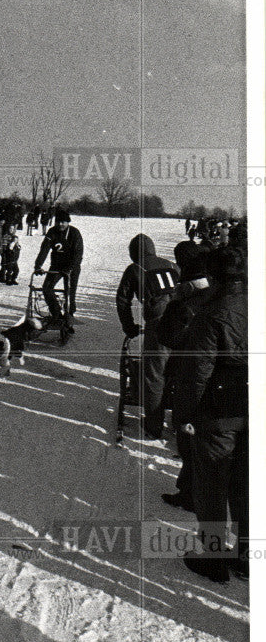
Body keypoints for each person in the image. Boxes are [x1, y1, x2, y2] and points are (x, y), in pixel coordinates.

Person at [175, 247, 247, 582]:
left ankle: (215, 555)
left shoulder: (211, 312)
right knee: (246, 483)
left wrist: (185, 413)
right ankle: (246, 554)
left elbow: (198, 370)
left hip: (219, 410)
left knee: (212, 483)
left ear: (214, 276)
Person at [157, 245, 213, 510]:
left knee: (188, 437)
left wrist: (174, 305)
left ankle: (192, 495)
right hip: (217, 380)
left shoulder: (184, 306)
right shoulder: (219, 299)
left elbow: (166, 337)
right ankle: (192, 491)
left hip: (190, 379)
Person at [115, 233, 178, 439]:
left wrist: (129, 327)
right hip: (183, 320)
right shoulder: (171, 264)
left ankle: (153, 426)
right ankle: (180, 418)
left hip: (159, 324)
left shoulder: (134, 269)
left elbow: (123, 300)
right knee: (180, 370)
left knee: (154, 375)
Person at [33, 208, 83, 328]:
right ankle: (56, 314)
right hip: (56, 265)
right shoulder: (52, 232)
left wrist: (70, 268)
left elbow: (78, 253)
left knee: (70, 292)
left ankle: (69, 317)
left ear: (68, 222)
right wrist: (38, 265)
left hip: (72, 267)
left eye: (63, 222)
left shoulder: (74, 233)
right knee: (47, 288)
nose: (60, 224)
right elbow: (44, 249)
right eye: (58, 221)